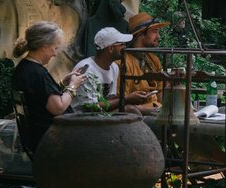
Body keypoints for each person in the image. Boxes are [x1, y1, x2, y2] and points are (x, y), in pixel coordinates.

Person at [11, 21, 87, 153]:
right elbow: (58, 107)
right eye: (55, 48)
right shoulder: (37, 73)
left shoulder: (24, 68)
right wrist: (73, 85)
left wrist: (64, 83)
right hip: (52, 138)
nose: (55, 54)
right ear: (44, 46)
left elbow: (40, 97)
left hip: (37, 135)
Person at [70, 27, 146, 115]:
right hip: (81, 117)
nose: (125, 47)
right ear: (110, 48)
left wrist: (130, 98)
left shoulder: (114, 67)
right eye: (122, 44)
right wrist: (126, 99)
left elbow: (110, 98)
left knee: (131, 109)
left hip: (99, 114)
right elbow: (91, 107)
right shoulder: (87, 70)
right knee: (129, 110)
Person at [120, 12, 169, 114]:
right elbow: (122, 101)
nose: (158, 36)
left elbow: (160, 92)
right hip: (136, 115)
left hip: (156, 111)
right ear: (141, 34)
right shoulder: (123, 62)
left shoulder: (154, 60)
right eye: (154, 32)